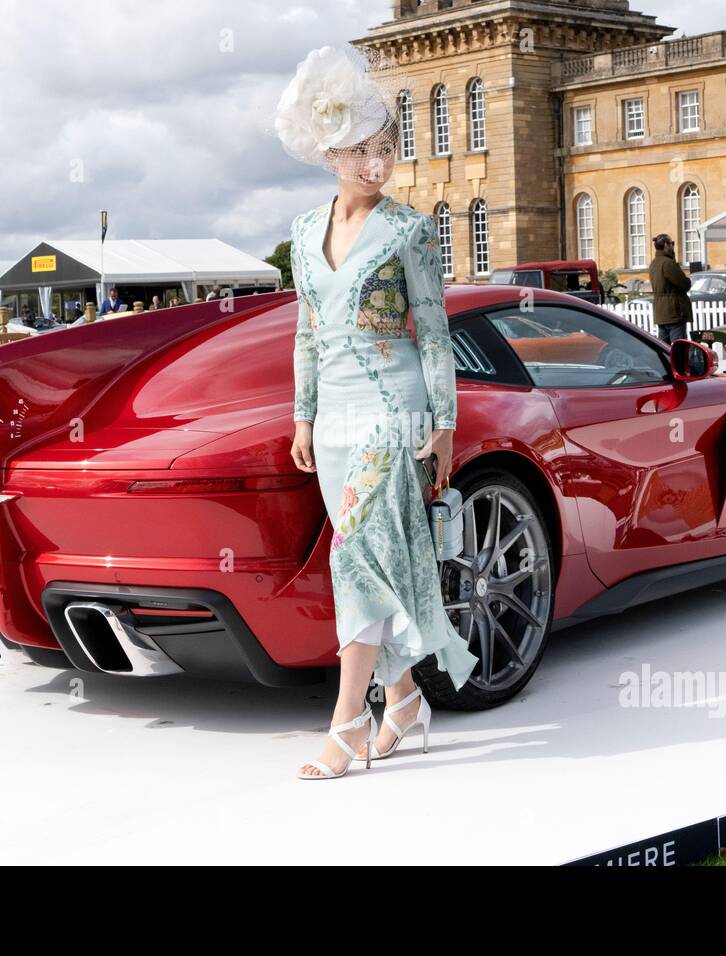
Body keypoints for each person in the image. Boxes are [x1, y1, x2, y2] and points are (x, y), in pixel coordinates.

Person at [276, 42, 478, 779]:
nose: (378, 163)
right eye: (363, 150)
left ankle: (347, 722)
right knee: (370, 560)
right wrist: (302, 418)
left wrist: (444, 423)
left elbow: (434, 332)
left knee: (349, 553)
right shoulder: (302, 234)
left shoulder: (410, 231)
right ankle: (403, 700)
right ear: (331, 152)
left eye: (387, 149)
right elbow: (305, 329)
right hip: (332, 424)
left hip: (397, 414)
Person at [647, 233, 692, 344]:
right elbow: (684, 284)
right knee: (679, 348)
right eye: (672, 243)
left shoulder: (654, 263)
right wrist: (688, 281)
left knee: (664, 348)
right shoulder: (667, 263)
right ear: (666, 245)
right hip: (673, 312)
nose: (673, 246)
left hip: (661, 313)